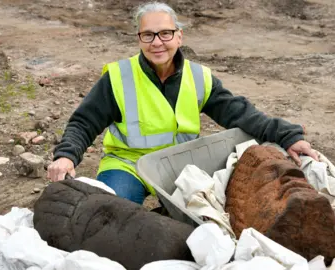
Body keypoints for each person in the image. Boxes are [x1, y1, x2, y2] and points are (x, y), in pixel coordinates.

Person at [47, 1, 319, 205]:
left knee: (206, 223)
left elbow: (240, 113)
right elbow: (84, 122)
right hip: (127, 165)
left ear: (179, 36)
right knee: (109, 213)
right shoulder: (118, 77)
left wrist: (288, 135)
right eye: (148, 35)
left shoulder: (199, 77)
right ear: (139, 39)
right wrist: (66, 155)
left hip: (179, 168)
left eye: (165, 33)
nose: (157, 43)